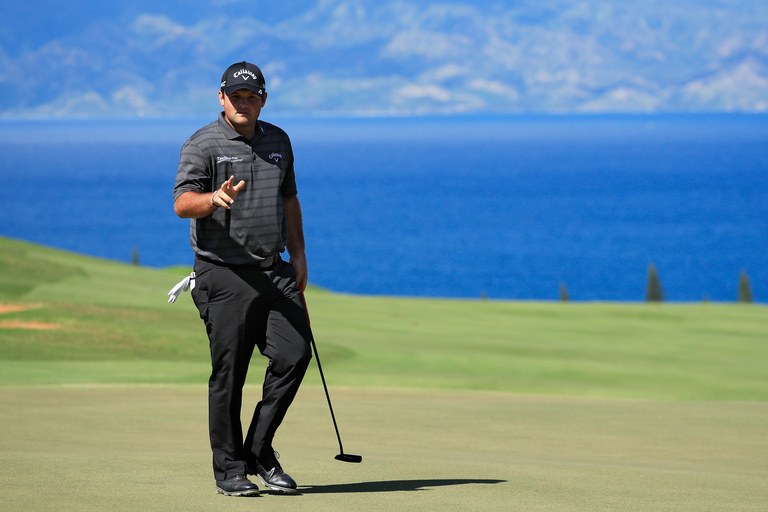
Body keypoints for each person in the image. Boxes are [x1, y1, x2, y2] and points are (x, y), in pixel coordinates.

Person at [173, 61, 312, 497]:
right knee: (229, 376)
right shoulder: (202, 144)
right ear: (221, 97)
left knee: (294, 354)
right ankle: (230, 470)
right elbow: (181, 203)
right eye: (236, 97)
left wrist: (300, 253)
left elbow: (289, 198)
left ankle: (258, 451)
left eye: (251, 97)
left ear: (263, 100)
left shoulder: (278, 141)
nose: (243, 103)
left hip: (275, 269)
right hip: (222, 272)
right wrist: (214, 198)